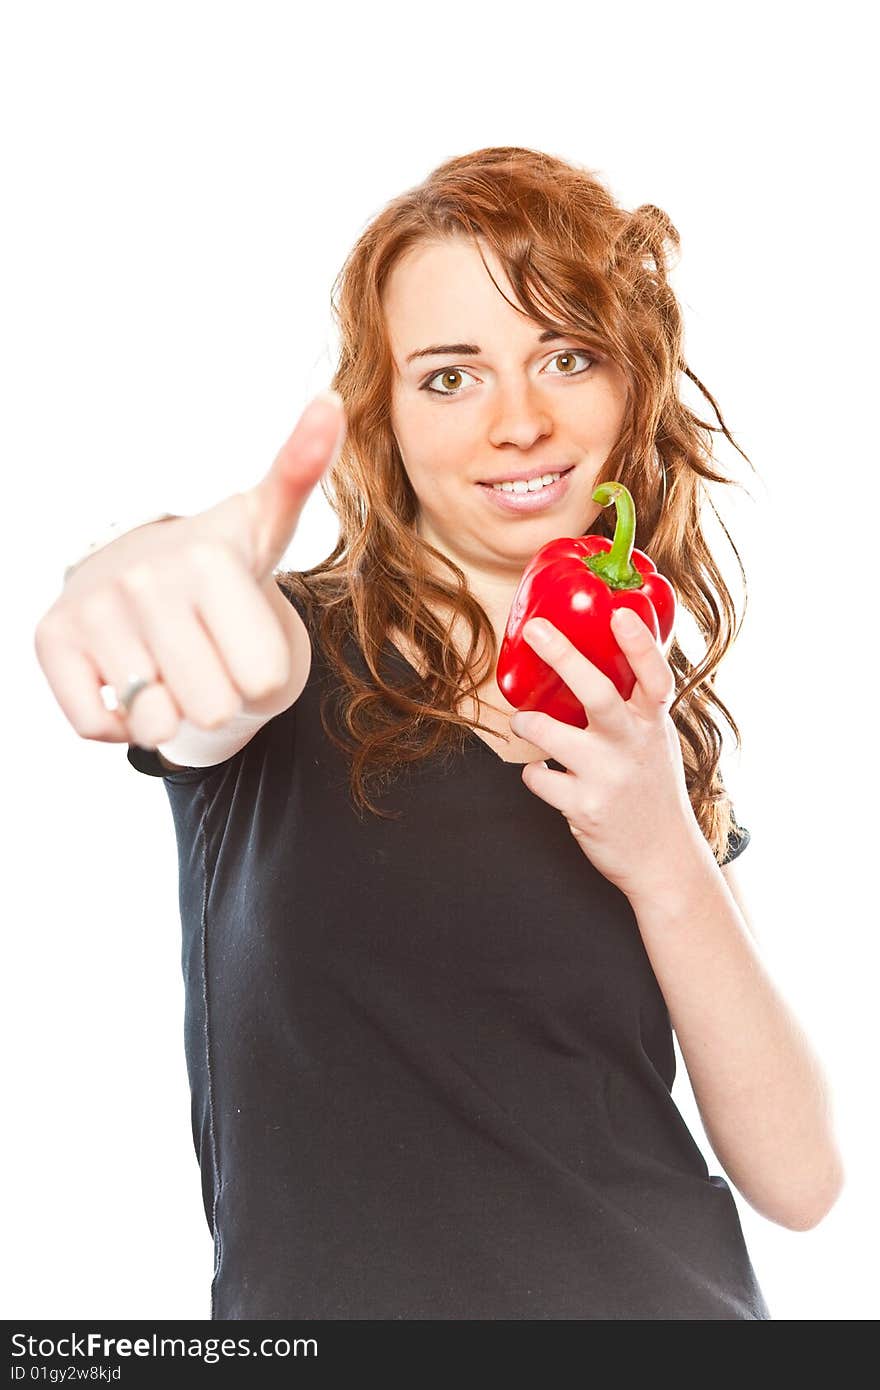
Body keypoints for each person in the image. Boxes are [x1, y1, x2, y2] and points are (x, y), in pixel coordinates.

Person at [35, 146, 843, 1320]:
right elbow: (208, 649)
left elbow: (801, 1179)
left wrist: (662, 839)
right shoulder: (287, 652)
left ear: (633, 386)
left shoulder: (642, 711)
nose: (520, 421)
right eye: (451, 375)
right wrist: (142, 576)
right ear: (387, 415)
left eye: (566, 356)